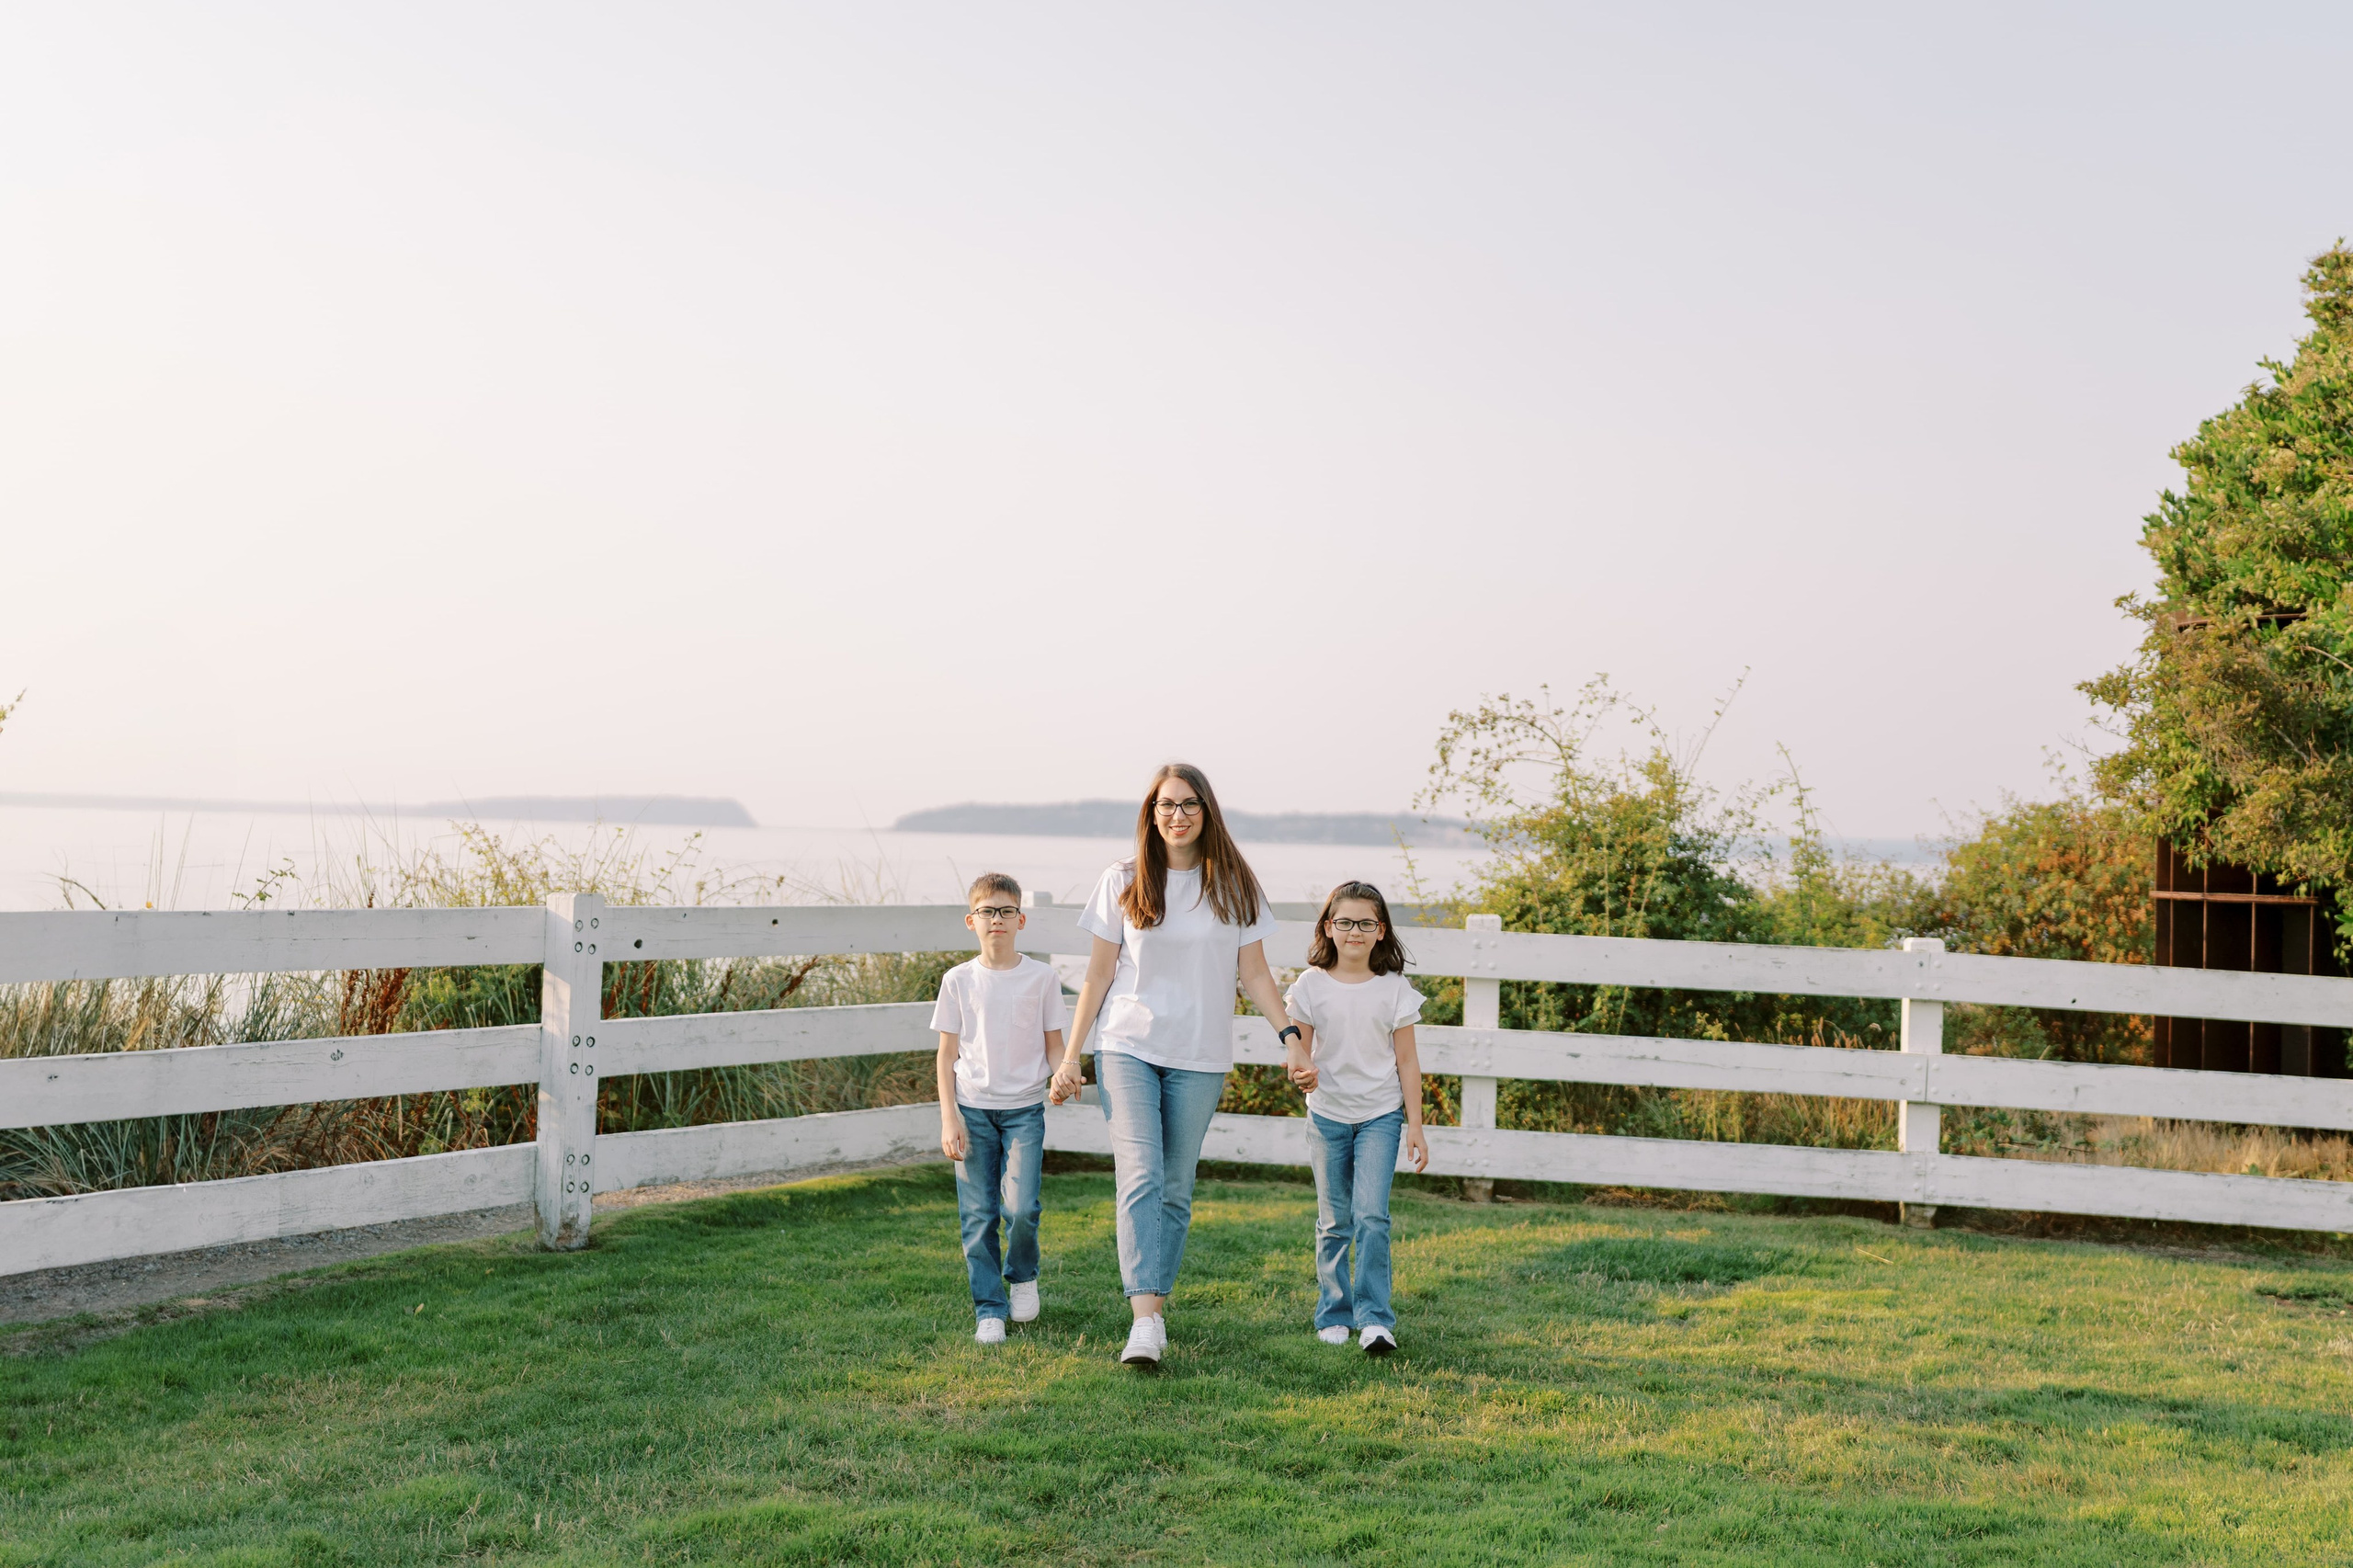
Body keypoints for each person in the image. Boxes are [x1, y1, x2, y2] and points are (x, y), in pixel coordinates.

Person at [1051, 763, 1303, 1367]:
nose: (1178, 815)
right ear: (1151, 812)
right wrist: (1070, 1054)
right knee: (1140, 1174)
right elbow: (1098, 974)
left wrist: (1291, 1035)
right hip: (1126, 1045)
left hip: (1200, 1054)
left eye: (1189, 804)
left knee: (1175, 1187)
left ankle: (1155, 1312)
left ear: (1206, 812)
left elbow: (1256, 974)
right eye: (1166, 804)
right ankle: (1144, 1323)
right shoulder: (1124, 879)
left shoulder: (1236, 886)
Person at [1282, 881, 1428, 1356]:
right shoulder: (1310, 985)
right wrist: (1301, 1070)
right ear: (1329, 927)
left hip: (1380, 1117)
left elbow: (1407, 1062)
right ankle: (1334, 1312)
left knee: (1372, 1217)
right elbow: (1297, 1048)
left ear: (1381, 930)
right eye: (1344, 922)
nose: (1354, 931)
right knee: (1334, 1221)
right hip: (1327, 1117)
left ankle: (1375, 1320)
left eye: (1366, 923)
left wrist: (1416, 1127)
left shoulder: (1395, 990)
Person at [933, 872, 1068, 1345]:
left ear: (1020, 920)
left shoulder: (1042, 977)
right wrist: (949, 1116)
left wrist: (1063, 1072)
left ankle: (1023, 1274)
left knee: (1022, 1207)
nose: (997, 919)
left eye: (1006, 911)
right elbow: (946, 1056)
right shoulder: (958, 981)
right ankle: (989, 1307)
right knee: (978, 1215)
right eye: (987, 911)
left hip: (1025, 1110)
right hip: (971, 1110)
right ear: (972, 921)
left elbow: (1055, 1045)